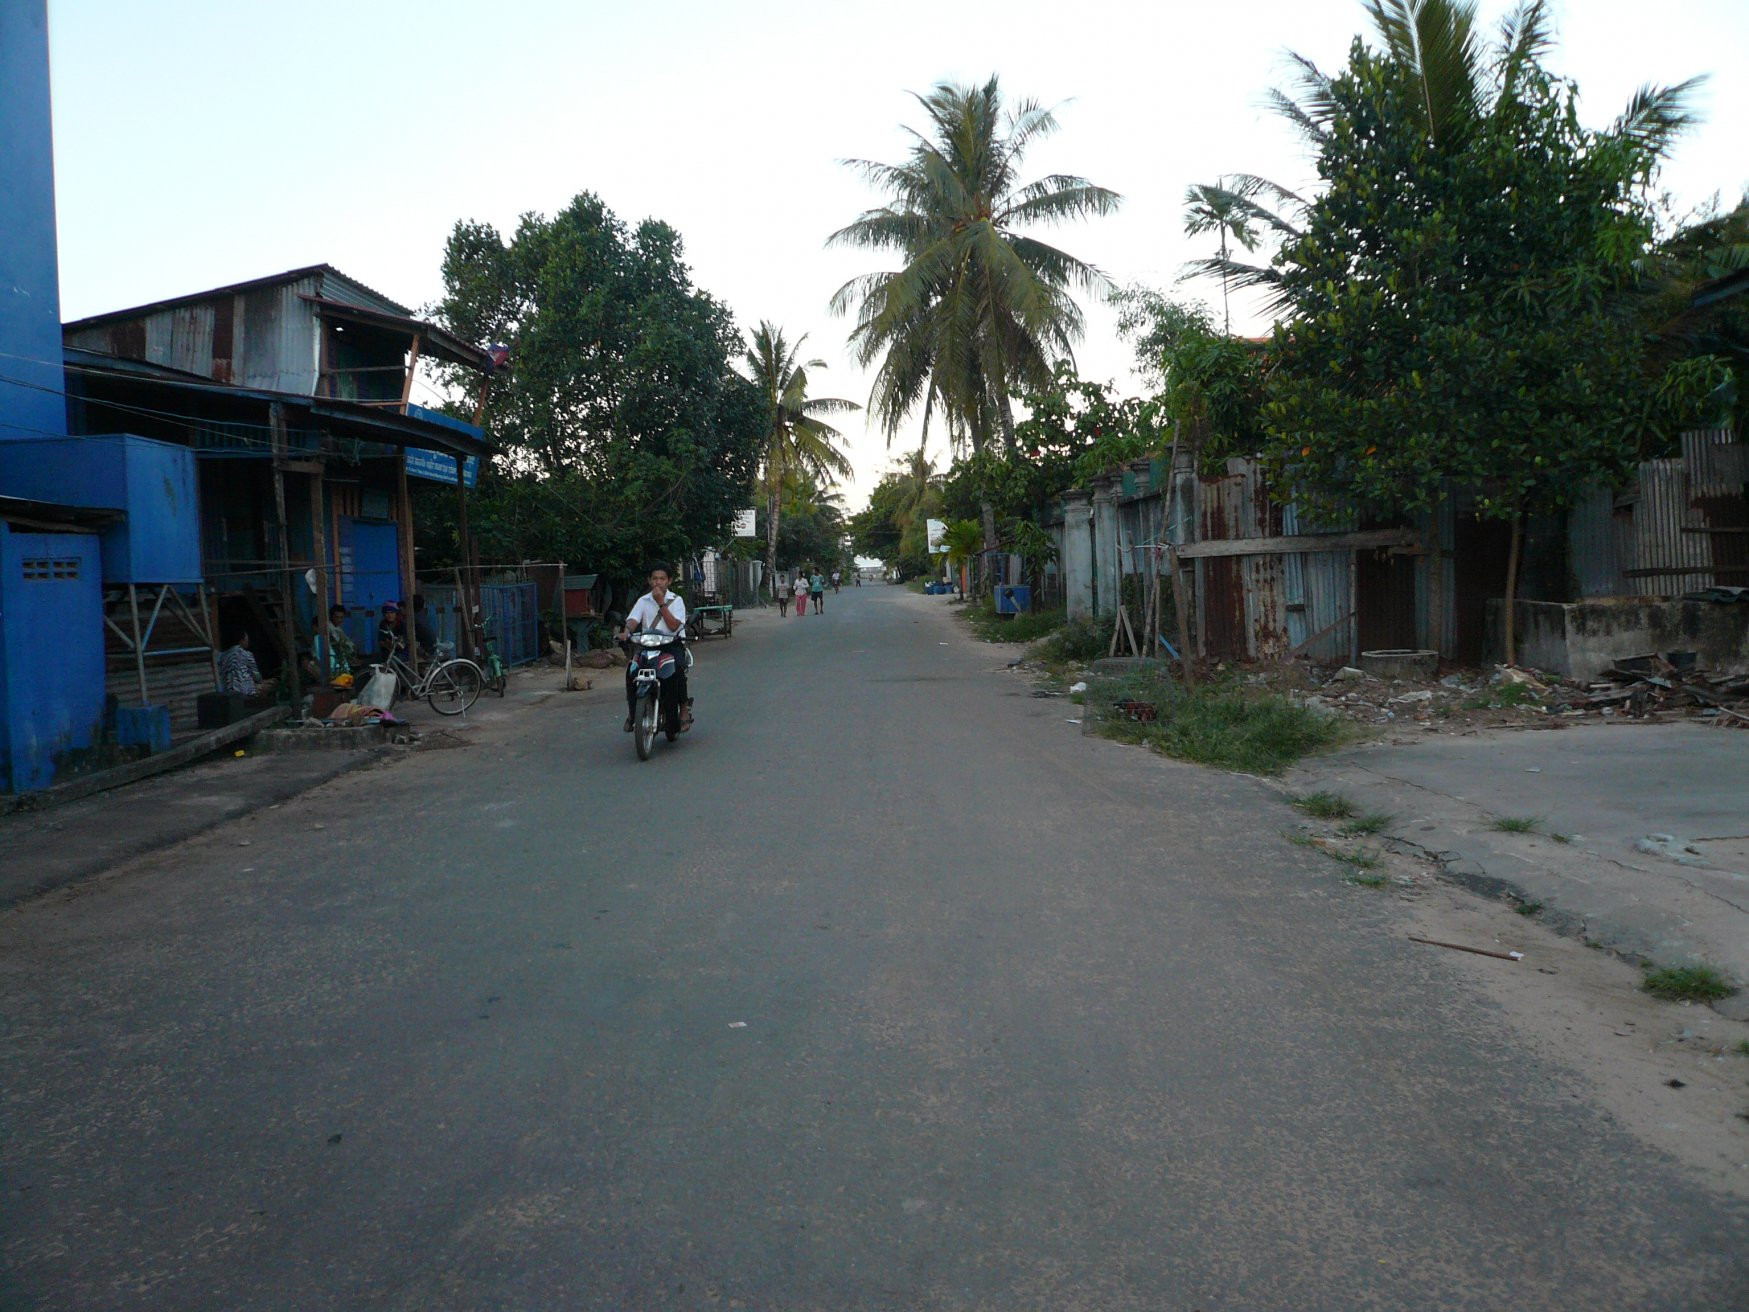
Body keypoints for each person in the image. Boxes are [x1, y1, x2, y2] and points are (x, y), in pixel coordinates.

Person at [619, 565, 691, 733]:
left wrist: (661, 603)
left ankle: (684, 708)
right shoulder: (643, 600)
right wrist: (627, 631)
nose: (658, 582)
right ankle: (632, 713)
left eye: (662, 579)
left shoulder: (676, 600)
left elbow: (673, 626)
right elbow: (633, 620)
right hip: (648, 644)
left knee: (678, 668)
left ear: (669, 581)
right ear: (649, 581)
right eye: (655, 578)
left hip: (671, 644)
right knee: (632, 670)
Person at [219, 630, 275, 700]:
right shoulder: (246, 654)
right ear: (241, 641)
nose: (248, 642)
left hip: (226, 692)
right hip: (244, 692)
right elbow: (256, 677)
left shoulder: (223, 656)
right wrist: (266, 681)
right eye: (246, 639)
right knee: (271, 685)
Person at [315, 604, 360, 681]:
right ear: (331, 616)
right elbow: (339, 646)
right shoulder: (329, 629)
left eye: (341, 617)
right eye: (337, 617)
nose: (339, 620)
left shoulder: (337, 628)